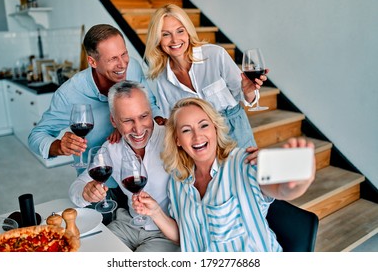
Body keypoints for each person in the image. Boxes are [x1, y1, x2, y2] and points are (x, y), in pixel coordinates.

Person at [133, 97, 316, 252]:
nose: (197, 136)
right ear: (178, 140)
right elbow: (185, 237)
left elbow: (282, 190)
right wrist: (155, 212)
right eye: (186, 130)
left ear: (215, 128)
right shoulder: (177, 181)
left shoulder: (242, 163)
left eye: (203, 126)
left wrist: (299, 181)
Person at [28, 24, 163, 179]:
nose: (123, 64)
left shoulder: (133, 67)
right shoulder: (69, 94)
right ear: (92, 62)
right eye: (113, 58)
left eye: (124, 54)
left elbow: (150, 104)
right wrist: (59, 146)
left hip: (138, 170)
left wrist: (156, 122)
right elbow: (36, 136)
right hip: (99, 179)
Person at [68, 80, 180, 252]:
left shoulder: (173, 140)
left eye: (143, 116)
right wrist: (86, 193)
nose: (138, 129)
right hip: (127, 225)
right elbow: (77, 187)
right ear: (114, 121)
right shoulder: (112, 147)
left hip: (165, 233)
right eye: (127, 120)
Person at [144, 4, 268, 148]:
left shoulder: (215, 55)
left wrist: (248, 91)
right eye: (166, 34)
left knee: (246, 170)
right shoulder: (162, 78)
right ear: (158, 39)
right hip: (198, 141)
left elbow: (246, 97)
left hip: (233, 130)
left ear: (188, 32)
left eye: (180, 31)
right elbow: (172, 119)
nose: (174, 40)